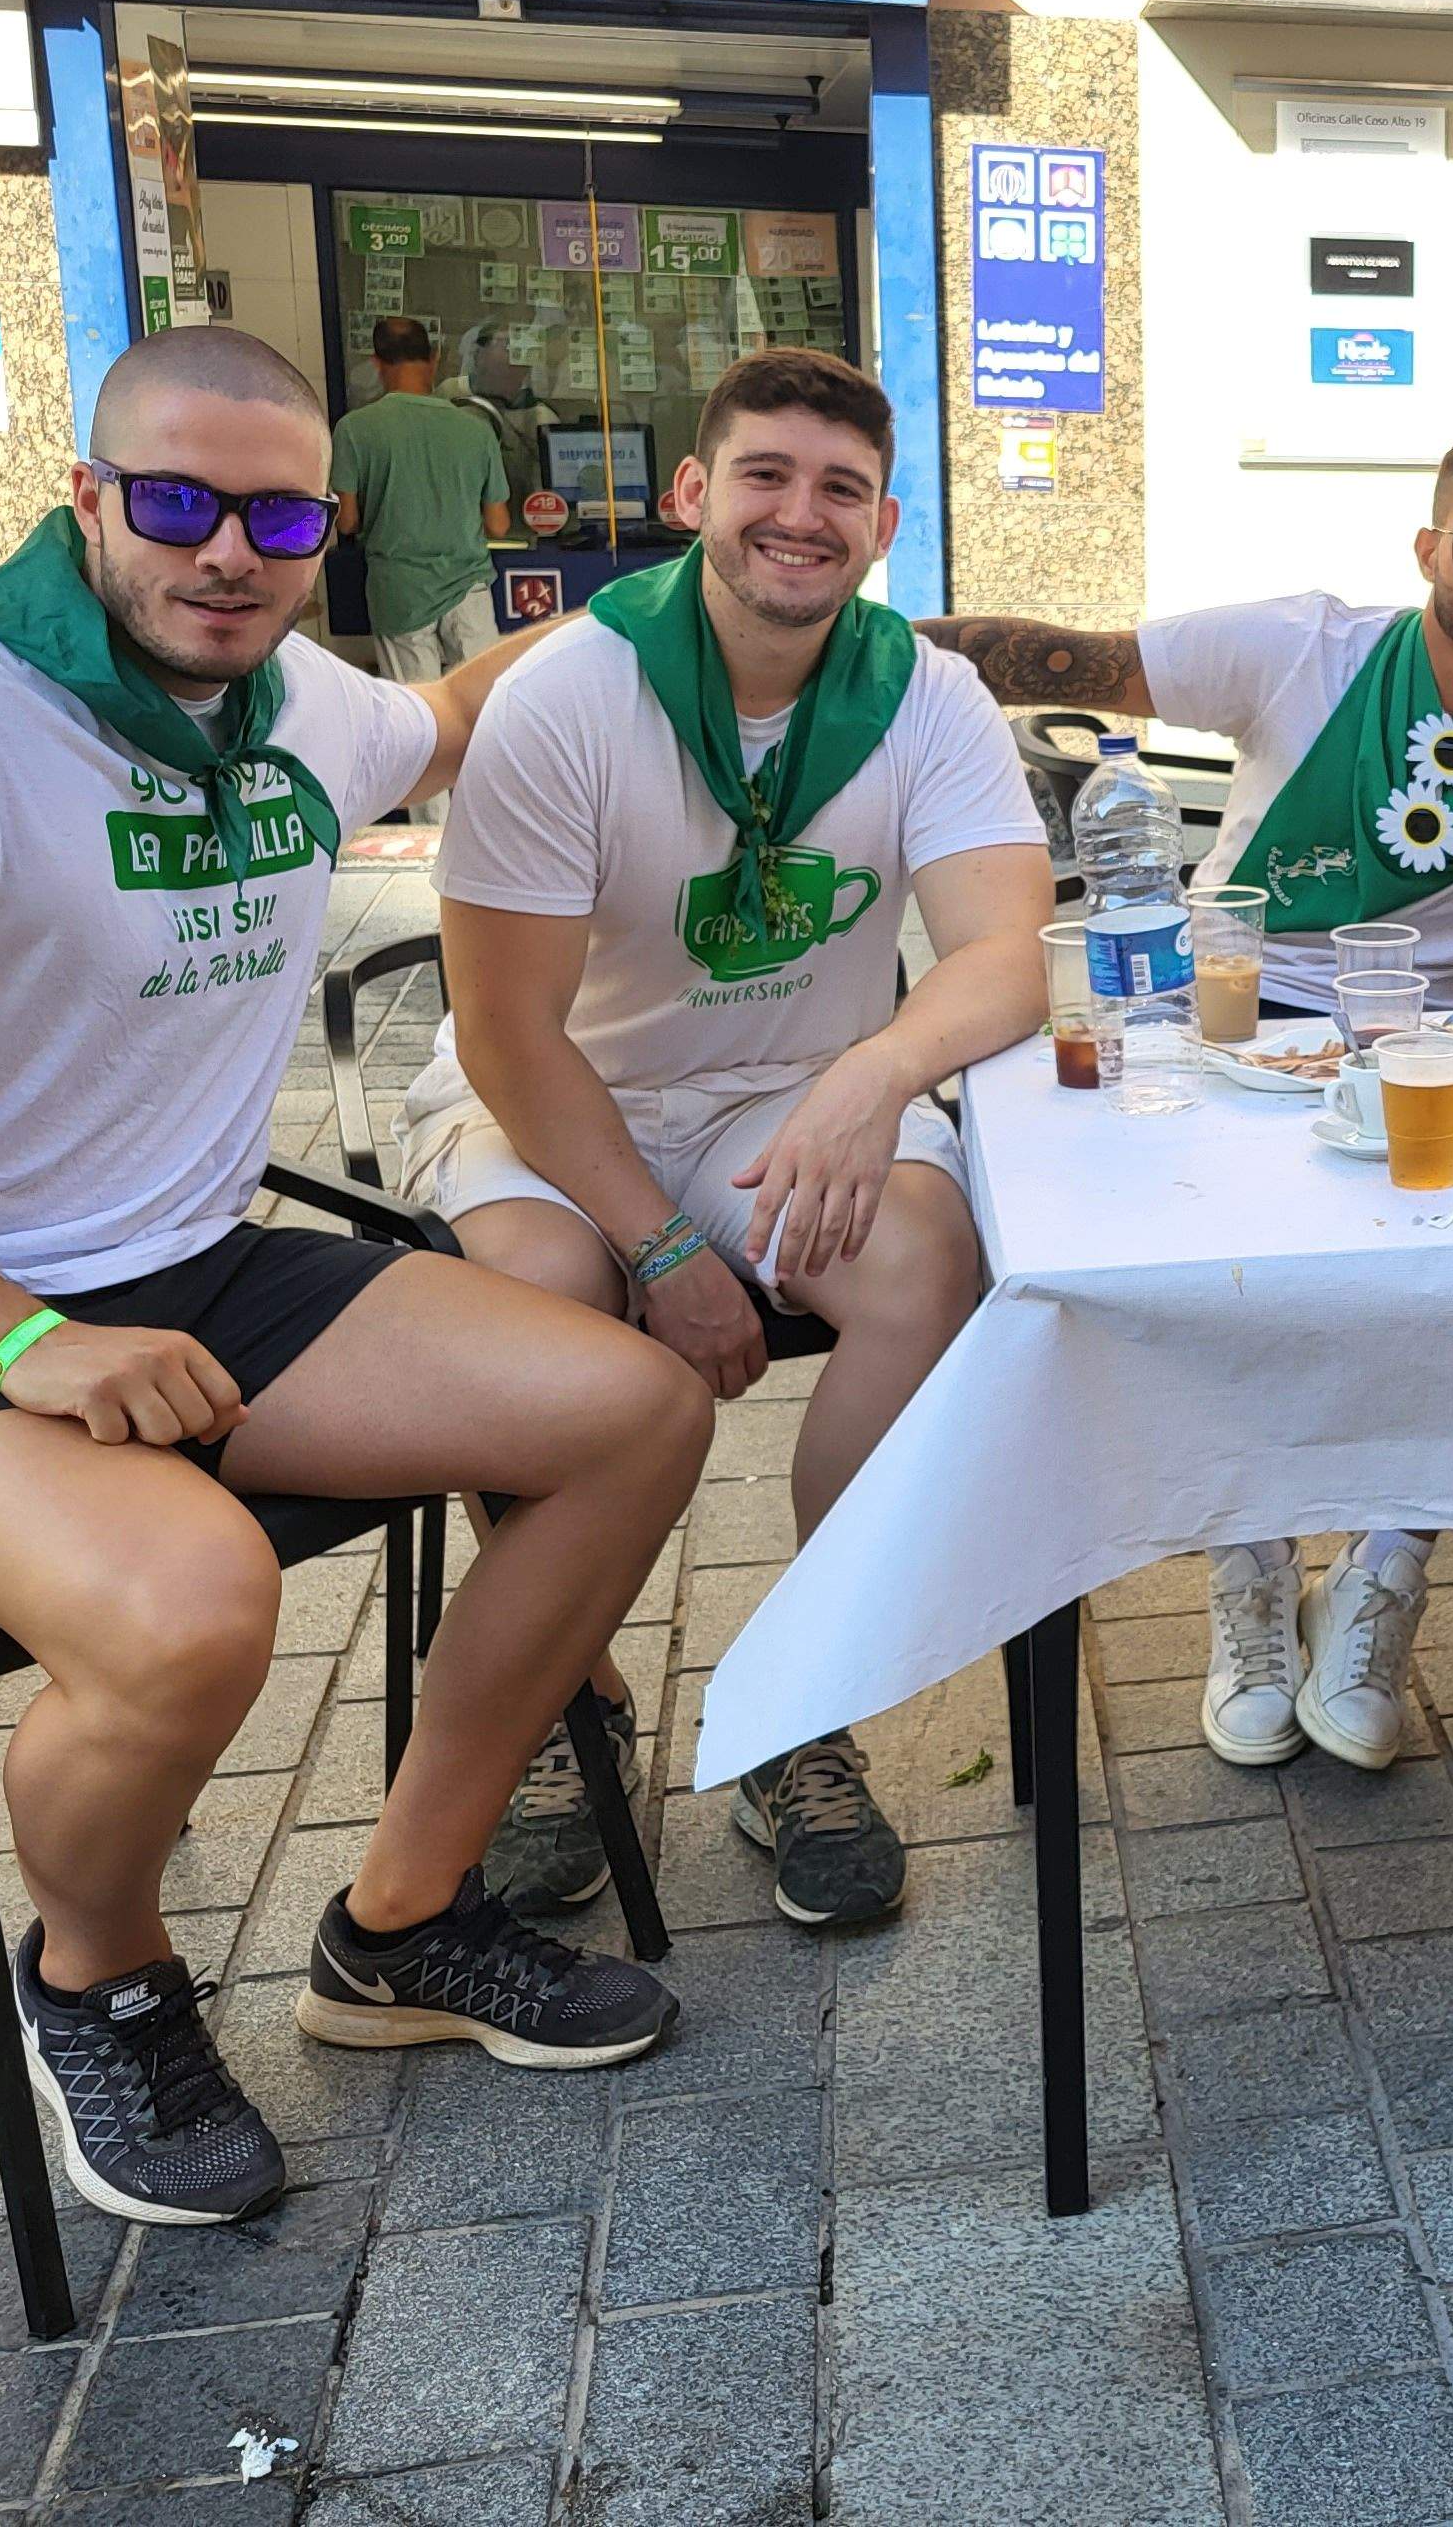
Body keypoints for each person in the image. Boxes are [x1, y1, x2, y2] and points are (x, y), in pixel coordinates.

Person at [0, 325, 708, 2232]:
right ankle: (104, 1981)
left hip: (191, 1262)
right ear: (87, 498)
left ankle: (400, 1924)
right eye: (177, 503)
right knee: (192, 1606)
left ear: (330, 528)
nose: (227, 550)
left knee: (631, 1409)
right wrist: (21, 1335)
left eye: (279, 515)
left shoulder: (294, 700)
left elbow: (449, 711)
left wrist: (701, 582)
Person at [923, 428, 1453, 1773]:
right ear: (1429, 549)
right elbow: (1071, 656)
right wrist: (853, 639)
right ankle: (1248, 1576)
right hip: (1228, 1025)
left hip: (1435, 1059)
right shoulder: (1302, 648)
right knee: (1224, 1296)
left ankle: (1385, 1573)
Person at [405, 349, 1056, 1928]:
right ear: (693, 494)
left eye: (839, 490)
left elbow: (1004, 958)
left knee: (923, 1264)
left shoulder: (925, 692)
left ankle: (795, 1708)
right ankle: (574, 1701)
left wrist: (876, 1073)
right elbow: (506, 1033)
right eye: (764, 474)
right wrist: (663, 1246)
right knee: (547, 1302)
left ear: (883, 523)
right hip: (559, 1094)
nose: (799, 514)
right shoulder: (571, 688)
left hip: (785, 1089)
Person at [333, 314, 509, 693]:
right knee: (482, 705)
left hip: (399, 592)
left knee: (417, 714)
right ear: (434, 358)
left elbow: (346, 522)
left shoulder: (354, 429)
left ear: (377, 363)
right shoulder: (476, 430)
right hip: (468, 590)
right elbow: (499, 524)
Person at [452, 321, 557, 515]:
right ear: (478, 357)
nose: (513, 357)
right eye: (506, 346)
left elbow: (547, 495)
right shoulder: (449, 394)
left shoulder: (539, 419)